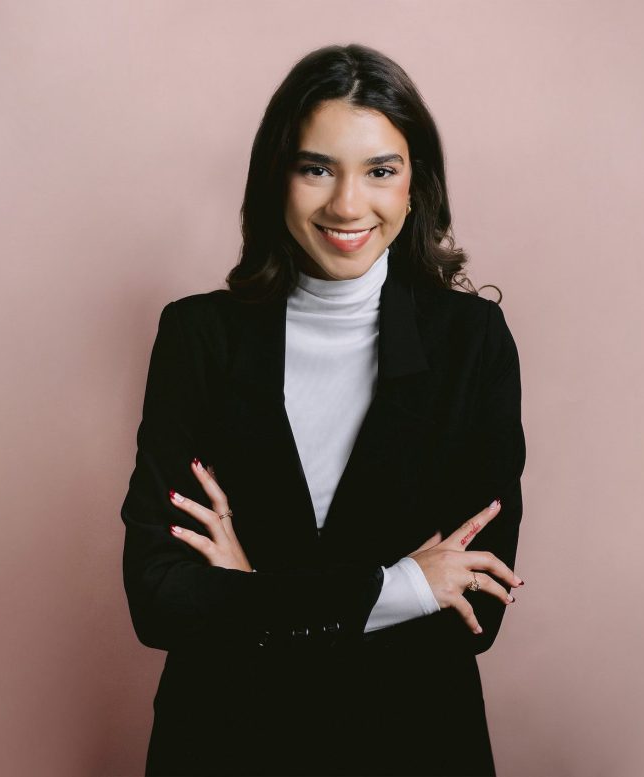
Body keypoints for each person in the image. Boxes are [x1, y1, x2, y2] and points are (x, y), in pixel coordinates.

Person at [120, 43, 526, 777]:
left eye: (380, 170)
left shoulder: (472, 343)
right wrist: (403, 586)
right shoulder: (197, 337)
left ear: (416, 185)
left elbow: (472, 616)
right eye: (316, 168)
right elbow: (159, 599)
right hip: (224, 748)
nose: (346, 204)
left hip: (412, 750)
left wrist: (249, 594)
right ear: (275, 178)